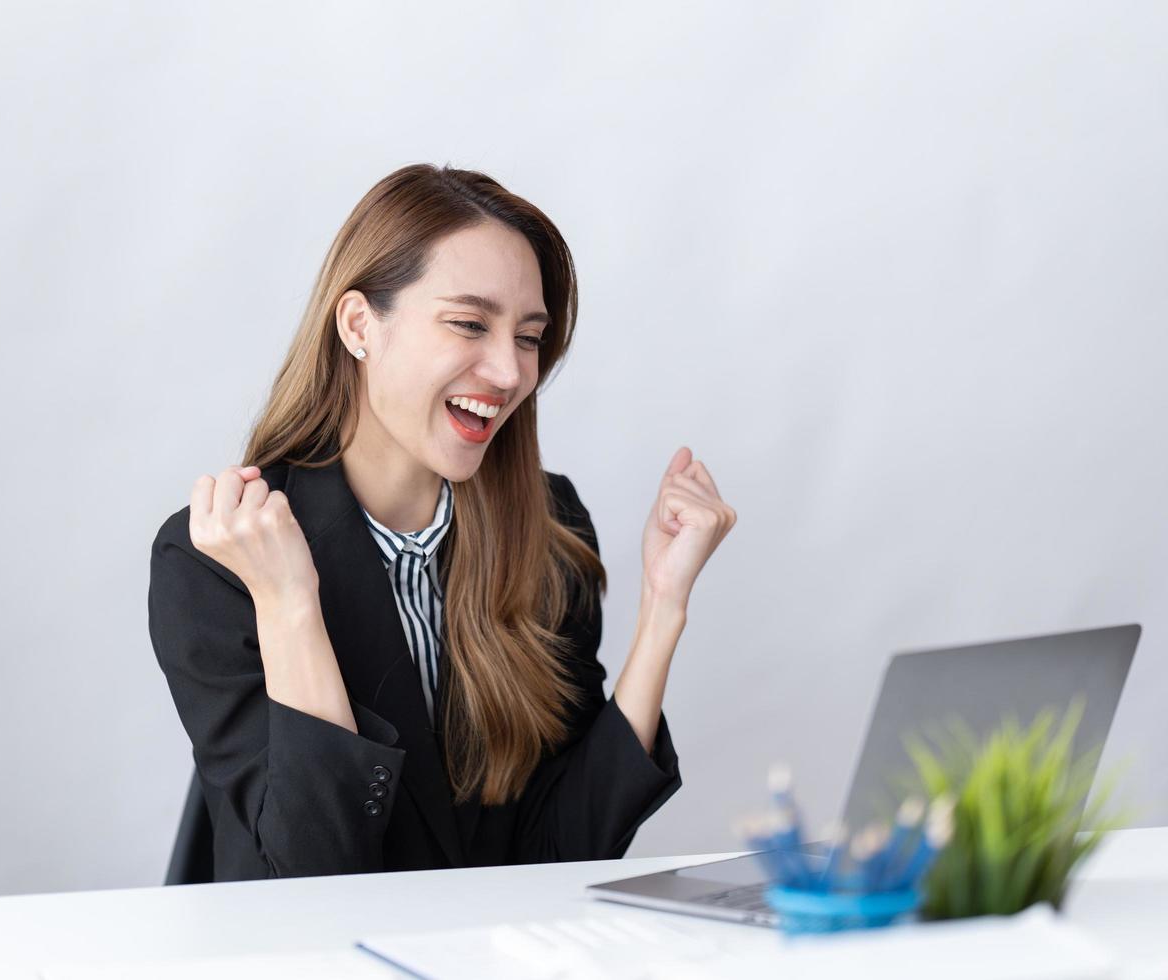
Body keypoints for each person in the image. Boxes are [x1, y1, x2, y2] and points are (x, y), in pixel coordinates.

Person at [148, 163, 737, 881]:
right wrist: (289, 604)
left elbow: (562, 855)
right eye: (468, 324)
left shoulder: (546, 529)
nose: (509, 370)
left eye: (527, 336)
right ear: (360, 325)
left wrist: (663, 609)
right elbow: (309, 879)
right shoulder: (218, 554)